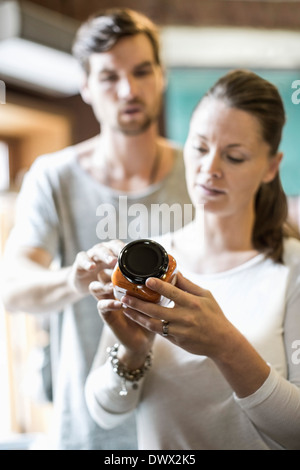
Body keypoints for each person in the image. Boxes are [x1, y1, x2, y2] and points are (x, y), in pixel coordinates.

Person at [1, 8, 192, 450]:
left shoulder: (202, 173)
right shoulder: (54, 177)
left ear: (161, 76)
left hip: (187, 425)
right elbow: (11, 288)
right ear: (86, 86)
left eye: (142, 71)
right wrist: (75, 277)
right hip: (92, 430)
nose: (128, 89)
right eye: (109, 77)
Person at [85, 69, 300, 450]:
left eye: (234, 156)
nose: (210, 168)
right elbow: (104, 412)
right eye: (199, 147)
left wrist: (227, 347)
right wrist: (133, 352)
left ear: (271, 166)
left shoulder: (292, 268)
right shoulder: (149, 262)